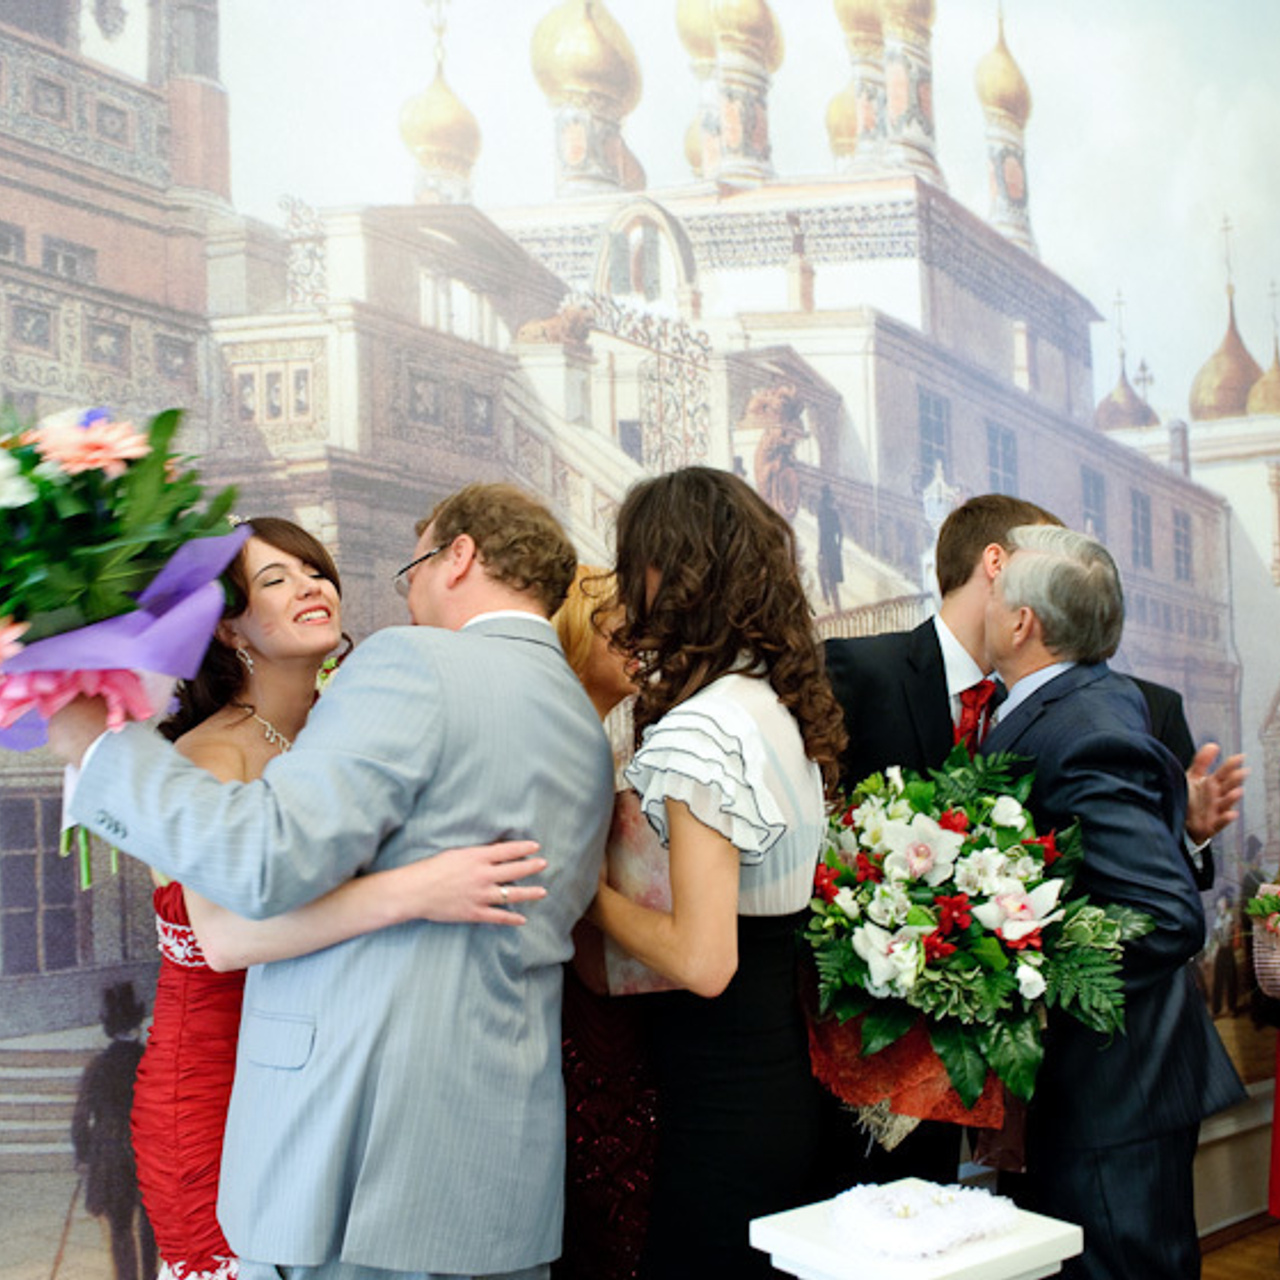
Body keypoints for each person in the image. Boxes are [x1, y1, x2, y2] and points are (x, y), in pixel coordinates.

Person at [48, 483, 616, 1280]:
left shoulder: (404, 668)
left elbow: (266, 856)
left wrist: (95, 748)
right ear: (228, 625)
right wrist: (411, 890)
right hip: (484, 1162)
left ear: (457, 558)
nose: (315, 587)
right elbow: (225, 933)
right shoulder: (576, 718)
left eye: (316, 570)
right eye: (273, 579)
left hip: (354, 1152)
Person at [821, 493, 1246, 1181]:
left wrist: (1004, 974)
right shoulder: (860, 673)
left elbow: (1158, 906)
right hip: (895, 1074)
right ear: (999, 566)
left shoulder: (1096, 709)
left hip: (1090, 1090)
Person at [586, 466, 847, 1280]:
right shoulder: (773, 705)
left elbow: (703, 962)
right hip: (778, 1080)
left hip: (723, 1101)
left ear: (673, 571)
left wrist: (584, 895)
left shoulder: (705, 729)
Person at [981, 523, 1245, 1279]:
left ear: (1025, 622)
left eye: (999, 588)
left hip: (1110, 1093)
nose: (989, 597)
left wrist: (1025, 969)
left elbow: (1167, 914)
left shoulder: (1084, 724)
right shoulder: (1086, 699)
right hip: (1109, 1091)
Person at [551, 566, 656, 1280]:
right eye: (617, 622)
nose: (637, 639)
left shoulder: (597, 745)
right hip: (579, 1026)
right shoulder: (566, 747)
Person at [72, 982, 156, 1280]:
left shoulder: (97, 1067)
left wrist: (82, 1154)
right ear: (137, 1022)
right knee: (151, 1225)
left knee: (120, 1228)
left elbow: (81, 1117)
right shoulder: (153, 1060)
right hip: (150, 1151)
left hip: (110, 1153)